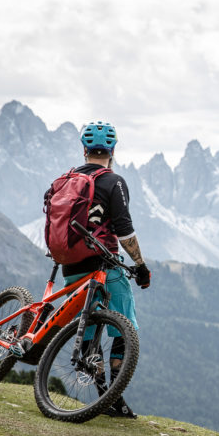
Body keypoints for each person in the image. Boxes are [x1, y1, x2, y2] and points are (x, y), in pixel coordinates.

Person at [61, 120, 150, 418]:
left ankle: (100, 395)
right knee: (126, 329)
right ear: (112, 151)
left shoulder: (66, 179)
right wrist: (141, 266)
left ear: (84, 149)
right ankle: (114, 396)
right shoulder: (115, 182)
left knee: (88, 322)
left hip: (69, 265)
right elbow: (125, 233)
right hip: (103, 264)